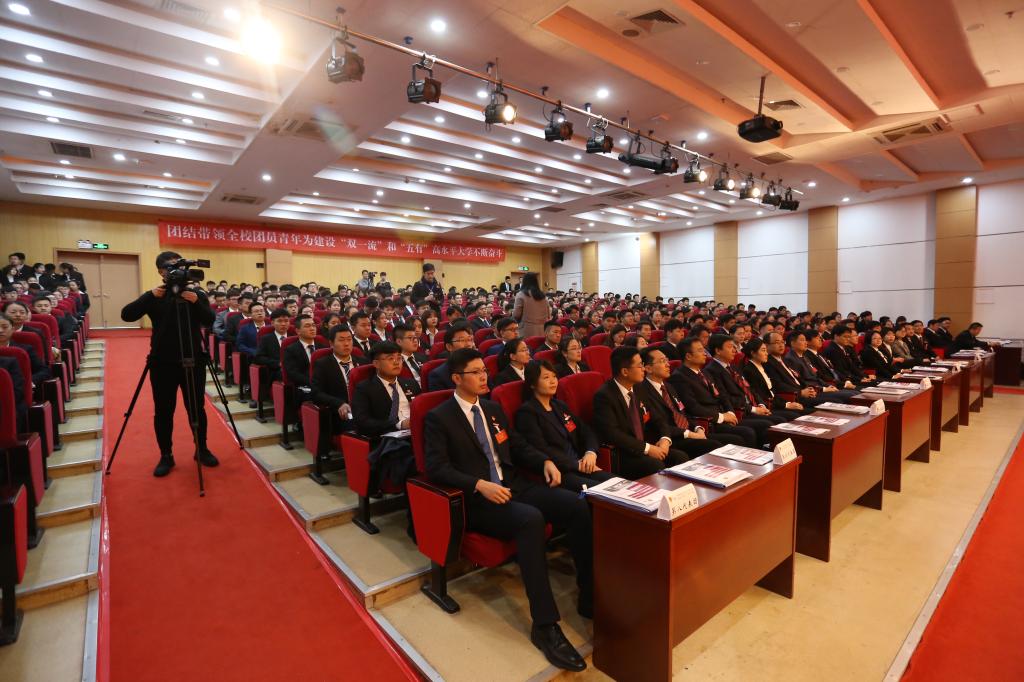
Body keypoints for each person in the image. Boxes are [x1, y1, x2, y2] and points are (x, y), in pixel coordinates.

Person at [423, 348, 591, 672]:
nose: (483, 376)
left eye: (484, 370)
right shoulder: (439, 417)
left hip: (513, 484)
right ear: (457, 378)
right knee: (531, 519)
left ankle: (589, 594)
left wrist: (545, 461)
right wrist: (478, 484)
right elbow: (436, 468)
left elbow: (516, 445)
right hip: (478, 499)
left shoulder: (491, 408)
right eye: (475, 372)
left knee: (577, 505)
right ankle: (545, 625)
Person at [120, 251, 219, 477]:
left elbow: (209, 321)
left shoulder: (195, 294)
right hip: (162, 362)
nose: (176, 271)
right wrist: (149, 296)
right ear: (161, 271)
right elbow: (127, 315)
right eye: (170, 267)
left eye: (179, 266)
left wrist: (197, 303)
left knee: (196, 408)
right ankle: (166, 455)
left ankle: (202, 449)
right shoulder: (156, 296)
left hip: (193, 361)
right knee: (163, 411)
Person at [515, 360, 612, 492]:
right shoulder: (527, 413)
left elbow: (585, 431)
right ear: (532, 384)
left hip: (582, 465)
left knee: (617, 482)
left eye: (554, 376)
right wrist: (576, 465)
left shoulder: (559, 406)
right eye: (546, 377)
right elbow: (541, 449)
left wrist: (591, 452)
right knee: (603, 492)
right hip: (560, 471)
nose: (553, 381)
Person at [593, 346, 685, 478]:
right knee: (655, 465)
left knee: (680, 457)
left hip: (645, 445)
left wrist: (665, 439)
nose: (643, 369)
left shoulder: (639, 388)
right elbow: (613, 434)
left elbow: (657, 419)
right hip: (623, 454)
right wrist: (647, 448)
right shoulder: (605, 396)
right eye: (640, 365)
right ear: (625, 371)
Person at [635, 346, 737, 456]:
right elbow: (657, 424)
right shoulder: (642, 391)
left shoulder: (668, 386)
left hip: (688, 432)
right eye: (662, 361)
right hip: (669, 438)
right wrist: (689, 433)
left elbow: (682, 412)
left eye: (667, 360)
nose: (668, 364)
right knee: (715, 445)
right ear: (648, 368)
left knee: (731, 440)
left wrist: (697, 428)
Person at [668, 336, 759, 448]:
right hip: (709, 423)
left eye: (703, 349)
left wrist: (730, 413)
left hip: (722, 416)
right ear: (688, 356)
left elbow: (722, 395)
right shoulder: (679, 377)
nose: (705, 353)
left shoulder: (703, 372)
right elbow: (693, 407)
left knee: (752, 429)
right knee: (746, 434)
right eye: (700, 350)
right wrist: (722, 417)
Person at [310, 325, 366, 435]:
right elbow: (316, 393)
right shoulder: (323, 364)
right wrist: (339, 403)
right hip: (341, 412)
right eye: (341, 340)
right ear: (331, 343)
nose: (346, 344)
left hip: (364, 409)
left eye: (349, 339)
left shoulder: (363, 362)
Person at [741, 338, 806, 414]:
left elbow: (773, 393)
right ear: (753, 353)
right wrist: (786, 405)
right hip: (768, 406)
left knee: (802, 410)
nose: (766, 353)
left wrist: (788, 403)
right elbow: (763, 396)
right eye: (763, 350)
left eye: (766, 350)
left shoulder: (763, 366)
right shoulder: (749, 370)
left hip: (775, 403)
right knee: (795, 414)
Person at [426, 324, 474, 391]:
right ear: (449, 347)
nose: (468, 344)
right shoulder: (438, 376)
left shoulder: (479, 365)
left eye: (469, 339)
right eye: (462, 340)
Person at [253, 308, 292, 382]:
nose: (283, 324)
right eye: (279, 321)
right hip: (276, 371)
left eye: (286, 321)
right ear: (272, 323)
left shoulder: (294, 337)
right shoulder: (266, 339)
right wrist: (278, 363)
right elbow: (258, 358)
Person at [512, 273, 549, 338]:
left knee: (527, 344)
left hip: (526, 329)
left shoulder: (521, 294)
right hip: (542, 329)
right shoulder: (543, 295)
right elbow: (548, 314)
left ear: (524, 281)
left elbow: (516, 315)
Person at [393, 323, 428, 387]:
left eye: (415, 337)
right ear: (399, 342)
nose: (415, 340)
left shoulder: (423, 357)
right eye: (410, 338)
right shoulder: (395, 364)